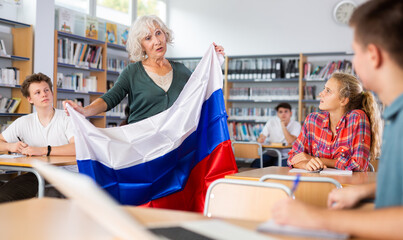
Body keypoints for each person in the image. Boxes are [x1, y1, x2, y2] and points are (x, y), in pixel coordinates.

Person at [272, 0, 403, 238]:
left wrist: (315, 217)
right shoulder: (396, 115)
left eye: (356, 51)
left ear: (373, 55)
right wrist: (367, 191)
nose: (353, 62)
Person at [64, 15, 225, 123]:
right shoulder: (132, 72)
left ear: (165, 35)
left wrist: (215, 64)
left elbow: (202, 92)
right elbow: (110, 98)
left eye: (158, 33)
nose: (157, 41)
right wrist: (85, 111)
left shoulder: (182, 71)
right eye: (148, 38)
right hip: (142, 148)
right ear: (141, 45)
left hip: (175, 148)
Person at [0, 73, 75, 203]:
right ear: (29, 99)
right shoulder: (23, 122)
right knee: (5, 196)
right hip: (38, 174)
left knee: (8, 197)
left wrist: (42, 150)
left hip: (68, 176)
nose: (44, 94)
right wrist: (10, 146)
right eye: (38, 92)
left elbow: (77, 147)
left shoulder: (68, 117)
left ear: (52, 93)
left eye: (46, 90)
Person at [287, 72, 381, 172]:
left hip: (346, 186)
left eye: (328, 91)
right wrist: (306, 164)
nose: (321, 93)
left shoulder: (357, 118)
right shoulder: (313, 120)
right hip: (316, 184)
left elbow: (358, 165)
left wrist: (317, 160)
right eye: (324, 88)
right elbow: (292, 157)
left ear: (343, 100)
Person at [251, 102, 301, 167]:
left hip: (286, 155)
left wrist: (283, 125)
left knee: (278, 167)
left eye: (286, 111)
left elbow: (290, 141)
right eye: (280, 112)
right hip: (271, 153)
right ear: (277, 114)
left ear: (290, 113)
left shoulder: (296, 125)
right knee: (255, 164)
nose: (283, 114)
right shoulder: (271, 122)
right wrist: (261, 138)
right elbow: (262, 136)